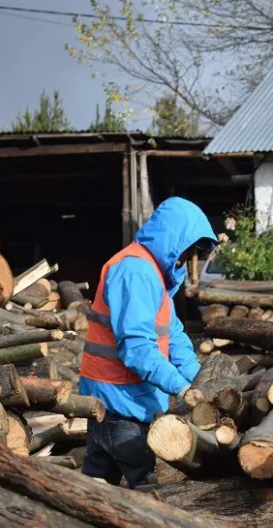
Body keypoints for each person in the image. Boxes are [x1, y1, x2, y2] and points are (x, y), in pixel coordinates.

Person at [78, 197, 217, 488]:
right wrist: (181, 388)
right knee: (153, 498)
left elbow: (173, 333)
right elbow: (138, 349)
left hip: (117, 405)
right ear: (173, 238)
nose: (187, 257)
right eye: (188, 249)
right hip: (122, 408)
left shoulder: (152, 273)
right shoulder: (137, 272)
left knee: (95, 494)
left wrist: (198, 379)